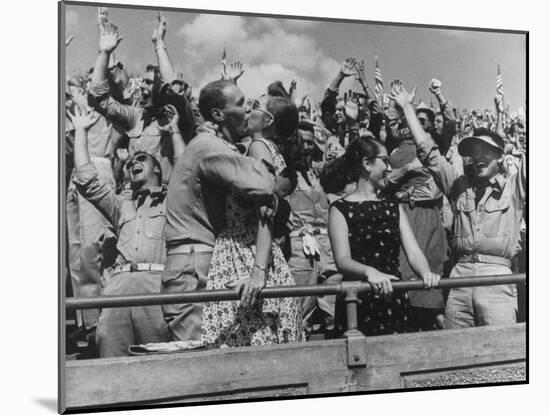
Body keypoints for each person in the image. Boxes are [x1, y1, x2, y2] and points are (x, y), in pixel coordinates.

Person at [390, 81, 525, 328]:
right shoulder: (458, 186)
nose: (479, 156)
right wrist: (407, 108)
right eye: (474, 151)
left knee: (499, 357)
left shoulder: (514, 188)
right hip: (459, 279)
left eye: (487, 150)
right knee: (457, 354)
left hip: (496, 279)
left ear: (501, 156)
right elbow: (429, 154)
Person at [162, 79, 277, 342]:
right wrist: (260, 147)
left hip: (193, 262)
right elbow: (263, 185)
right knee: (200, 361)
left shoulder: (209, 144)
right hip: (194, 266)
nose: (247, 110)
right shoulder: (209, 146)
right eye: (240, 104)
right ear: (217, 114)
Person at [69, 103, 184, 357]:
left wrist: (174, 130)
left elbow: (185, 169)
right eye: (131, 161)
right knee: (111, 358)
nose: (133, 162)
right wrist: (80, 132)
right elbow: (87, 180)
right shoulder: (121, 204)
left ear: (157, 169)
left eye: (141, 158)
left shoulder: (173, 201)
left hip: (155, 287)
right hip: (118, 288)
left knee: (160, 365)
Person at [201, 93, 303, 347]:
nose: (248, 110)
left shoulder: (259, 147)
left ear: (267, 120)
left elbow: (264, 206)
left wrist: (258, 272)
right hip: (255, 248)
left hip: (246, 249)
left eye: (255, 107)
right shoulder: (263, 149)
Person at [324, 136, 441, 337]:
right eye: (385, 160)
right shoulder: (339, 209)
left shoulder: (393, 206)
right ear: (367, 164)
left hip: (392, 295)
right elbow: (342, 260)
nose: (389, 168)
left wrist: (426, 273)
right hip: (358, 299)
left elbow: (413, 252)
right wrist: (370, 272)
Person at [89, 12, 194, 184]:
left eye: (148, 82)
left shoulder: (179, 116)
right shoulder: (135, 116)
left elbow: (172, 89)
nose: (142, 86)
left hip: (163, 203)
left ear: (160, 88)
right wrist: (103, 54)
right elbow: (100, 99)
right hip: (131, 200)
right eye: (142, 82)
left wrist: (159, 44)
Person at [286, 121, 340, 336]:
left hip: (328, 244)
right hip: (300, 245)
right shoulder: (284, 174)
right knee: (301, 308)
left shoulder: (320, 173)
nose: (306, 148)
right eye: (302, 142)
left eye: (310, 143)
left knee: (335, 305)